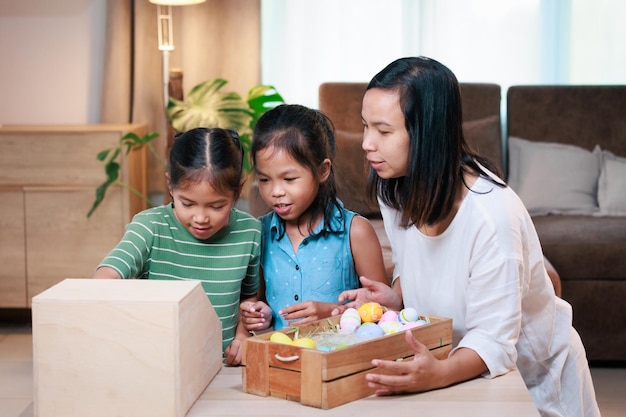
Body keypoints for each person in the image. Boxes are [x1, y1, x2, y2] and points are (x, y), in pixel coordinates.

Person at [335, 57, 600, 417]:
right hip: (457, 364)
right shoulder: (393, 187)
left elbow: (495, 341)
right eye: (365, 126)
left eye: (383, 131)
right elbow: (414, 263)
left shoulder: (492, 216)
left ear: (428, 133)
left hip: (532, 376)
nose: (366, 143)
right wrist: (396, 294)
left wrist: (438, 373)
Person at [93, 127, 261, 366]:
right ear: (170, 185)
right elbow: (107, 275)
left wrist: (244, 335)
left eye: (216, 206)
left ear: (237, 191)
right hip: (158, 363)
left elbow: (249, 297)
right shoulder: (150, 227)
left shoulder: (250, 232)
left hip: (222, 366)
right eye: (187, 203)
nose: (201, 217)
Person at [239, 104, 389, 331]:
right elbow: (257, 301)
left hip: (341, 359)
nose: (275, 191)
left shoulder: (355, 232)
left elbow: (385, 312)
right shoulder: (259, 234)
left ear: (322, 171)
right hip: (283, 357)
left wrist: (332, 313)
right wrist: (259, 314)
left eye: (289, 179)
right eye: (265, 180)